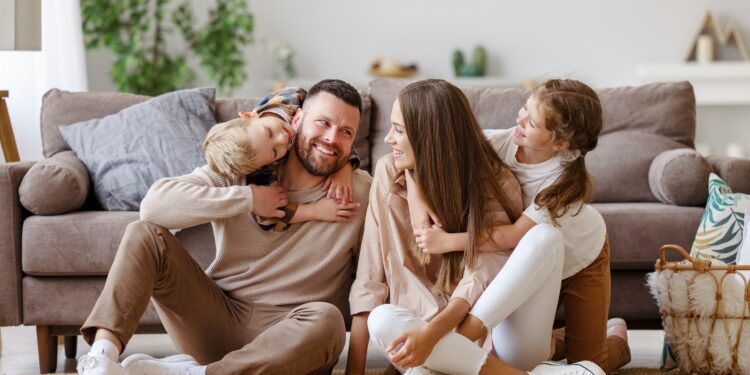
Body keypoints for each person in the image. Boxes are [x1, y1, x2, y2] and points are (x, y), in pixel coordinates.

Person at [76, 79, 372, 375]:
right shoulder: (246, 165)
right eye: (323, 122)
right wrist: (247, 199)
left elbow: (369, 283)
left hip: (291, 340)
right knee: (144, 234)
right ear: (297, 120)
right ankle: (101, 359)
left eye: (346, 132)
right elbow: (153, 207)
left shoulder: (361, 192)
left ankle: (199, 373)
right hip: (219, 319)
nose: (332, 138)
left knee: (328, 320)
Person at [346, 79, 603, 375]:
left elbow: (500, 250)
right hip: (429, 327)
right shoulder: (392, 170)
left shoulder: (519, 182)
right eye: (524, 109)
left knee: (544, 238)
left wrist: (434, 336)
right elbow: (369, 280)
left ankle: (456, 354)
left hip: (523, 296)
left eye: (400, 131)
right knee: (382, 319)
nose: (388, 138)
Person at [408, 79, 630, 374]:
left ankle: (616, 338)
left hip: (580, 258)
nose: (519, 119)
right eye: (524, 107)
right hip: (532, 260)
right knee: (528, 343)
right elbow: (418, 159)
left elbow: (512, 236)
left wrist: (448, 241)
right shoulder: (500, 142)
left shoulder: (562, 182)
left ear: (560, 143)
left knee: (590, 362)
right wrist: (418, 196)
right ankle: (556, 342)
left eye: (533, 122)